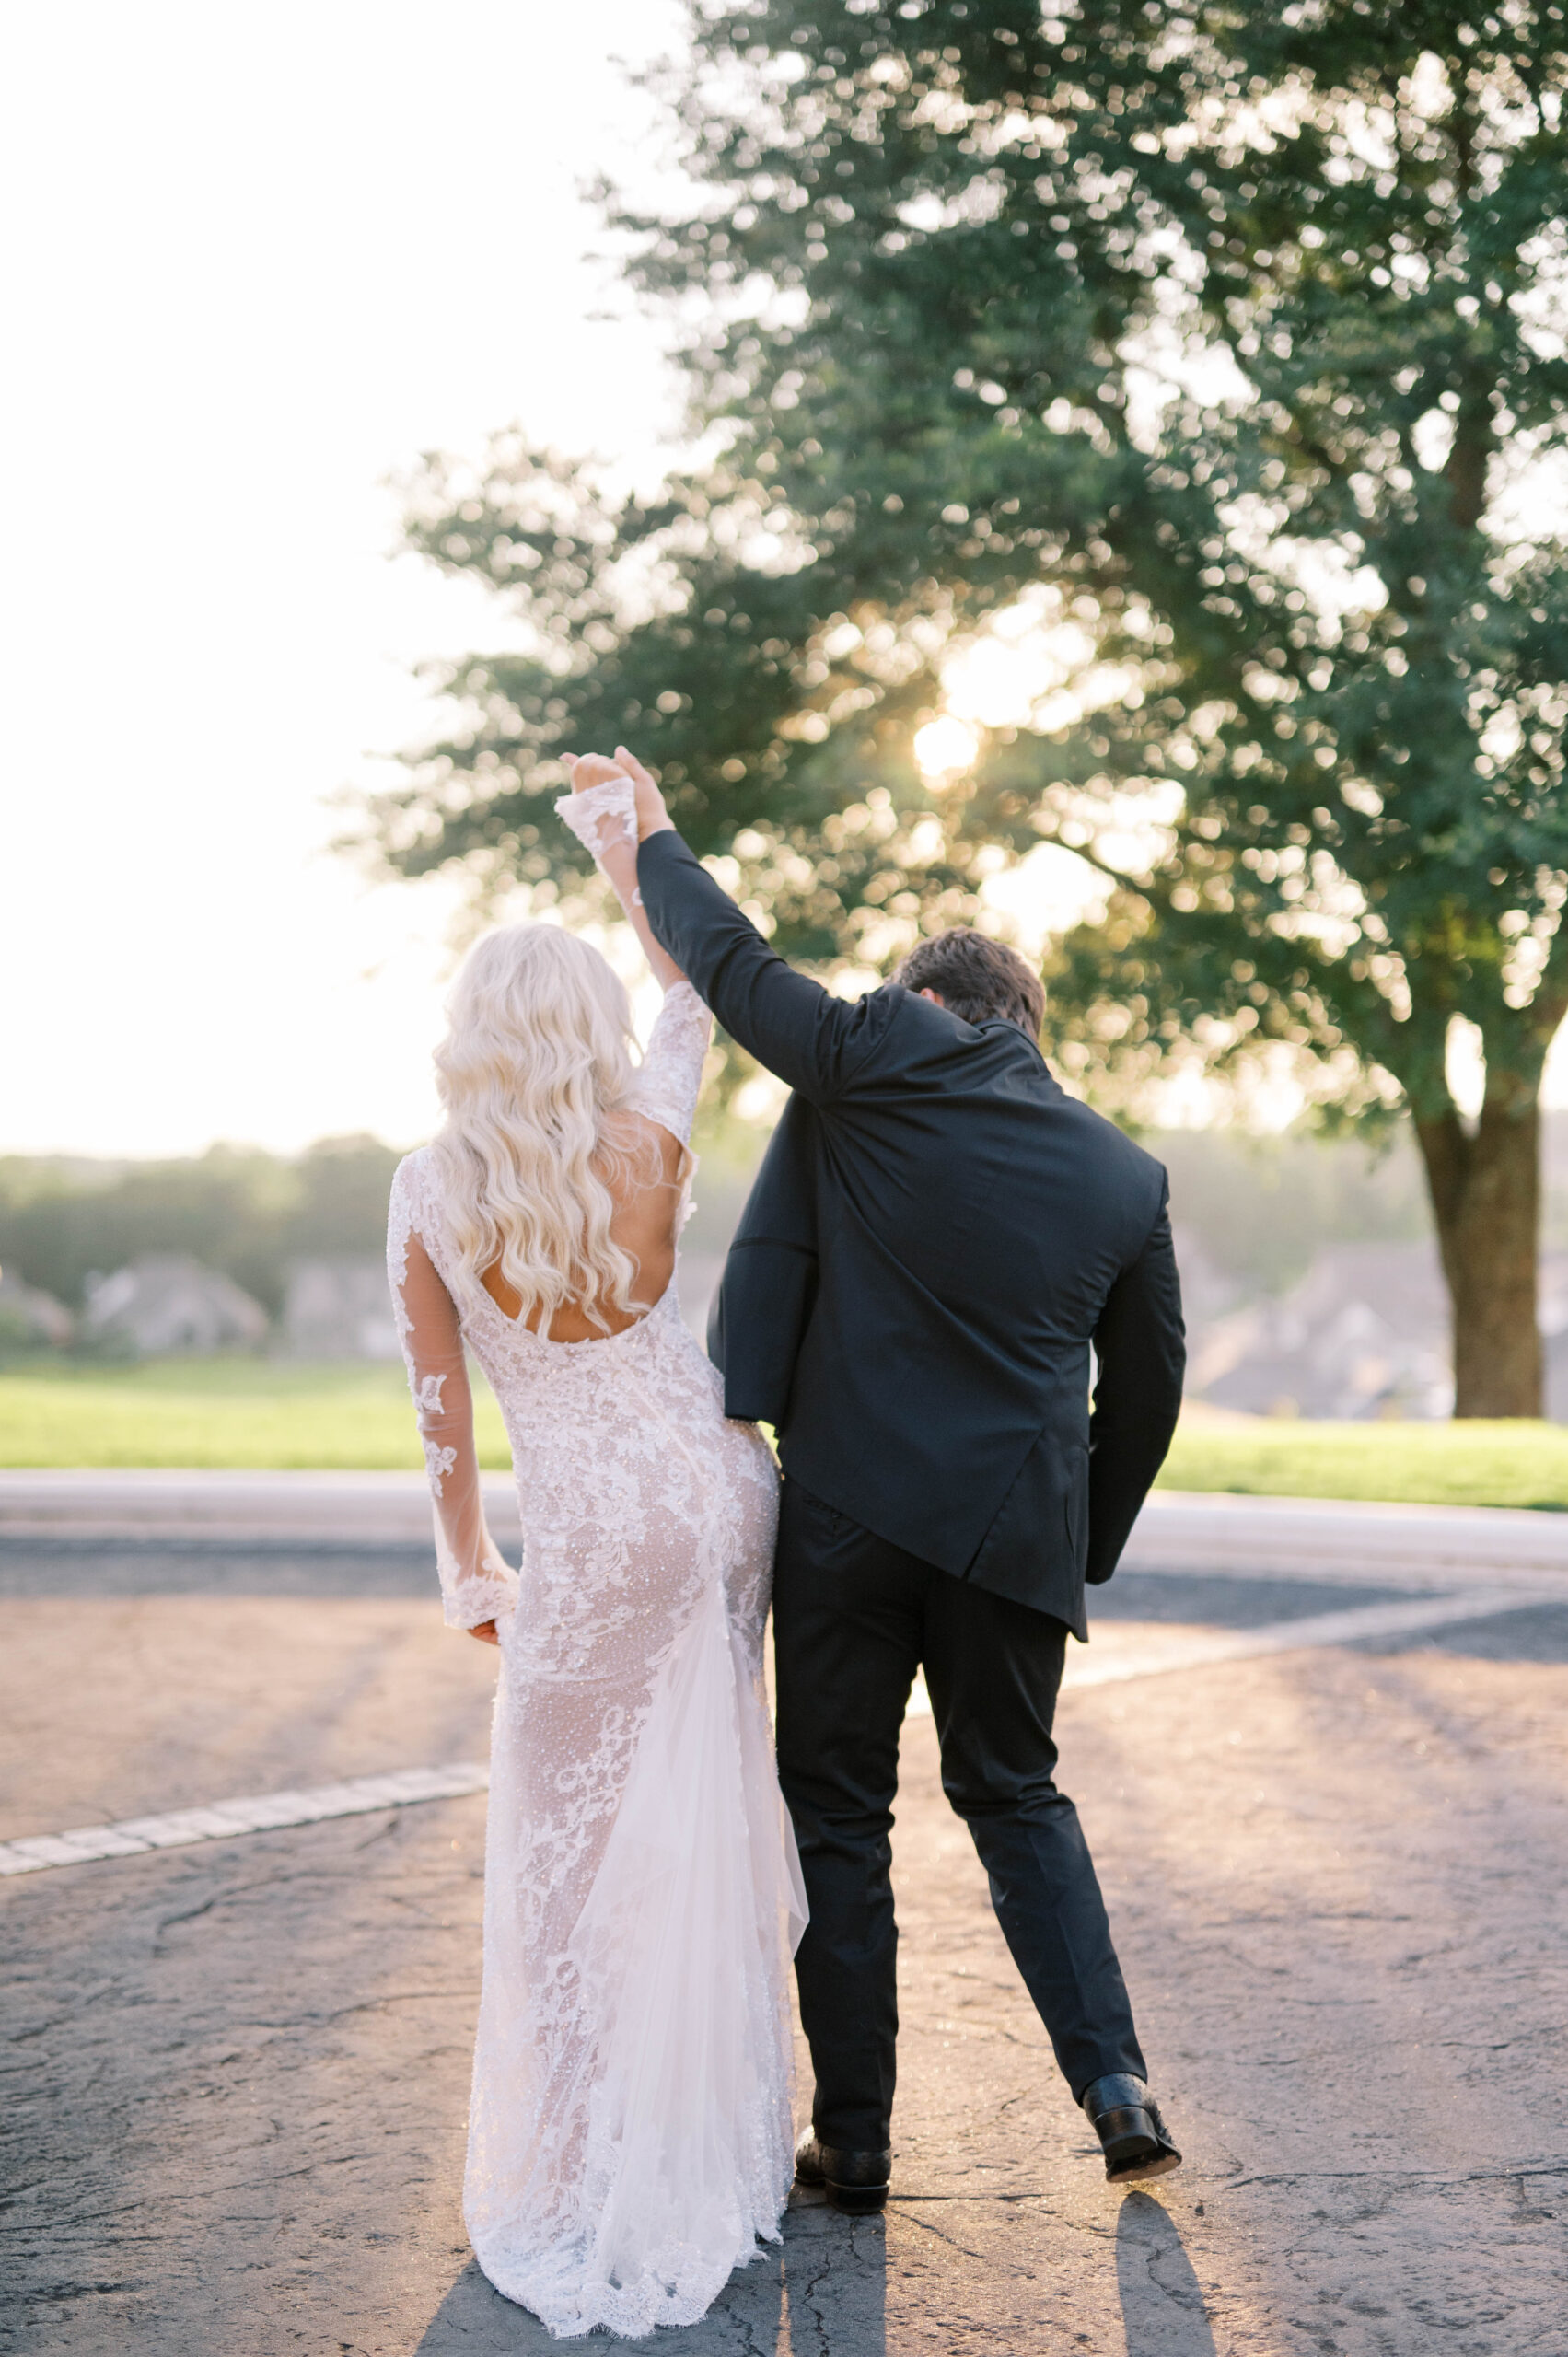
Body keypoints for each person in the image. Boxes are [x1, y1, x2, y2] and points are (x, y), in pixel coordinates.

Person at [604, 743, 1187, 2213]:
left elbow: (733, 966)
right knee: (1018, 1797)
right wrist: (1082, 1542)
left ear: (925, 1008)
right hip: (1011, 1540)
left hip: (850, 1518)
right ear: (1028, 1027)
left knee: (838, 1816)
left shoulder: (870, 1058)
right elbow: (1154, 1387)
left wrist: (657, 839)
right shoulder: (1127, 1177)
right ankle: (1115, 2085)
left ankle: (854, 2137)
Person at [386, 757, 805, 2339]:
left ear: (474, 1039)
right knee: (695, 1811)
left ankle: (579, 2175)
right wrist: (631, 847)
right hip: (719, 1492)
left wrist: (466, 1568)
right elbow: (694, 972)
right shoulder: (652, 1133)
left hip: (596, 1528)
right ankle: (713, 2145)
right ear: (587, 1035)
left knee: (565, 1873)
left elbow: (442, 1411)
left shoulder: (431, 1191)